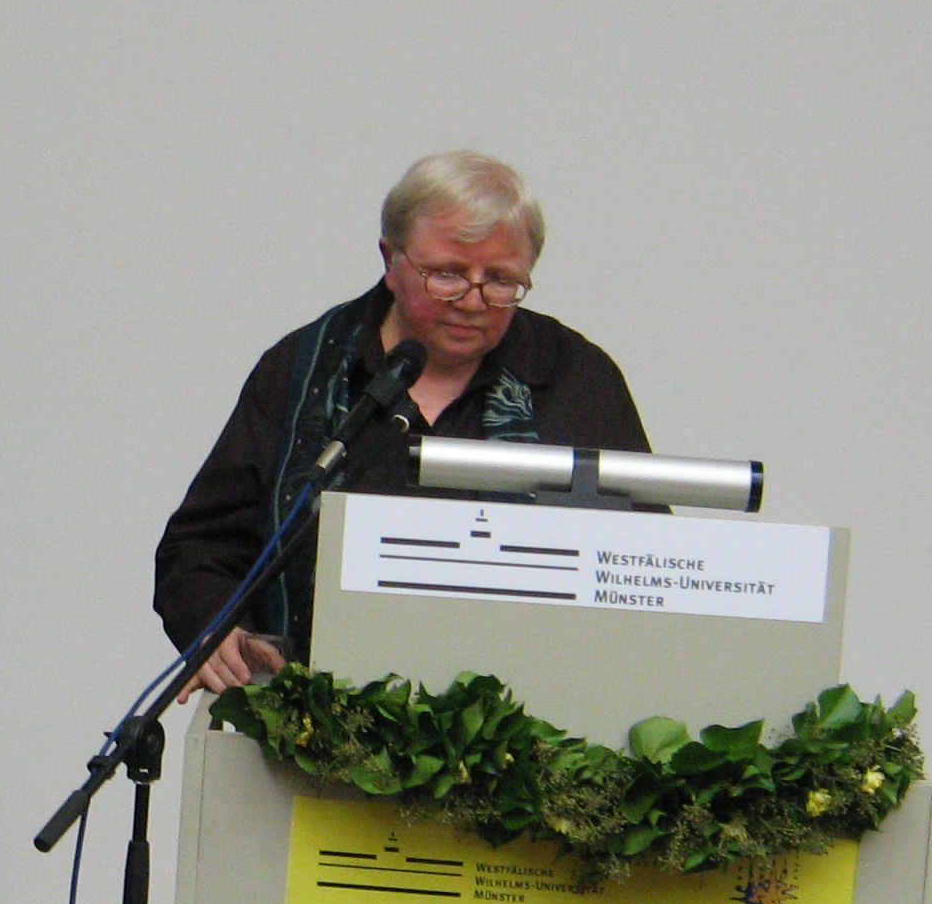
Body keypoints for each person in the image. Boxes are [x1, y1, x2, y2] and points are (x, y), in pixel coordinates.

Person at [153, 151, 648, 693]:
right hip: (317, 714)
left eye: (501, 280)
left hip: (532, 712)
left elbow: (646, 561)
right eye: (447, 275)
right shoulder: (303, 370)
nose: (473, 301)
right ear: (391, 261)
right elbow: (200, 550)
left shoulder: (577, 378)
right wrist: (213, 629)